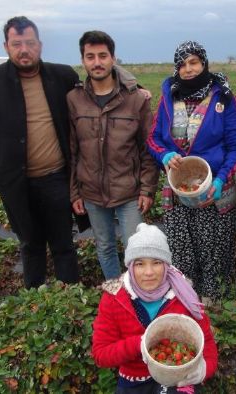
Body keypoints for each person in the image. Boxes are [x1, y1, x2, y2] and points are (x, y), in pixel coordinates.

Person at [0, 16, 80, 288]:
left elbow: (100, 83)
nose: (23, 49)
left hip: (57, 179)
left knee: (63, 244)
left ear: (39, 45)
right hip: (16, 182)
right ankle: (35, 301)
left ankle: (70, 298)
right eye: (17, 44)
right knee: (30, 244)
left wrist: (136, 86)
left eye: (29, 43)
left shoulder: (63, 76)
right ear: (6, 46)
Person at [146, 41, 236, 303]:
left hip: (214, 190)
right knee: (182, 252)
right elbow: (153, 139)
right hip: (177, 190)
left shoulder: (223, 97)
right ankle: (186, 301)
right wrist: (164, 155)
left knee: (212, 253)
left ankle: (214, 308)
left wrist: (222, 178)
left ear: (204, 64)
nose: (188, 69)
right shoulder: (169, 96)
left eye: (194, 62)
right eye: (182, 64)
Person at [68, 31, 158, 280]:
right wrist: (74, 191)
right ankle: (114, 290)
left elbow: (147, 148)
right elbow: (72, 150)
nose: (97, 62)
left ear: (113, 58)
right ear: (83, 60)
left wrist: (147, 189)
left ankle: (137, 293)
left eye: (102, 56)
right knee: (105, 246)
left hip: (129, 190)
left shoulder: (136, 99)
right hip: (91, 191)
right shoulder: (74, 99)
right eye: (90, 56)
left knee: (136, 248)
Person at [92, 223, 218, 393]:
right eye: (140, 264)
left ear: (166, 265)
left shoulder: (184, 294)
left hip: (177, 375)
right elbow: (101, 354)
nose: (149, 272)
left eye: (156, 262)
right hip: (135, 378)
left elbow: (207, 342)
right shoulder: (114, 298)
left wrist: (204, 370)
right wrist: (141, 343)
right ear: (130, 266)